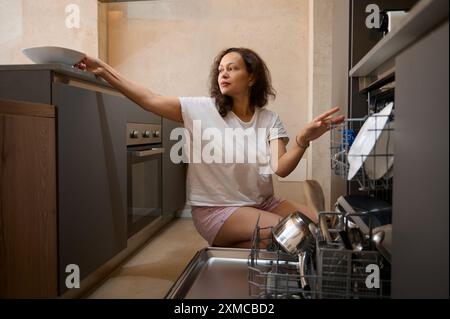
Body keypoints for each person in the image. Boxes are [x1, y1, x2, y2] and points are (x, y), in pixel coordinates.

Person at [74, 47, 344, 248]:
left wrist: (303, 140)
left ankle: (232, 248)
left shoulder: (269, 119)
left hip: (263, 203)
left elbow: (281, 168)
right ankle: (239, 244)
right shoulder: (201, 109)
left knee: (322, 222)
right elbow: (148, 98)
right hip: (217, 210)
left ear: (252, 77)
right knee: (293, 234)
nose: (222, 73)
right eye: (220, 69)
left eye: (232, 68)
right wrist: (102, 69)